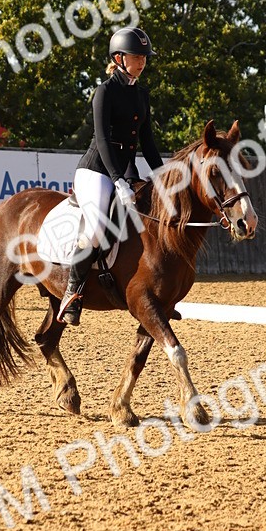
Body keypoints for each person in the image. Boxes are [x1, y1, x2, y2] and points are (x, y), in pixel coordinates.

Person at [57, 26, 164, 326]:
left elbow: (149, 144)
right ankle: (72, 291)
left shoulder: (142, 94)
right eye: (136, 56)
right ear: (119, 58)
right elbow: (103, 140)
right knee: (94, 229)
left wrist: (164, 178)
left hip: (125, 169)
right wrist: (118, 180)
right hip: (96, 171)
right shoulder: (104, 91)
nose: (142, 61)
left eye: (144, 56)